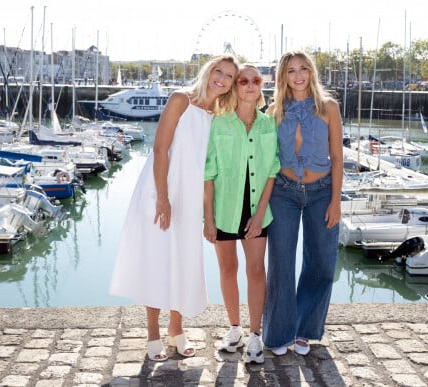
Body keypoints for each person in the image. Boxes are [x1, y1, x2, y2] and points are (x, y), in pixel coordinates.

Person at [110, 55, 239, 362]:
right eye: (218, 71)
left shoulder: (220, 115)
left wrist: (209, 215)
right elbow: (159, 148)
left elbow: (210, 170)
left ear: (232, 84)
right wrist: (163, 198)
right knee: (156, 259)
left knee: (183, 260)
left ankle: (176, 329)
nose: (222, 78)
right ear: (208, 71)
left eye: (230, 76)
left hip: (191, 198)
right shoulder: (181, 99)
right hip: (160, 190)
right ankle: (153, 332)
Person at [262, 51, 343, 356]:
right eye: (291, 71)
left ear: (311, 73)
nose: (298, 75)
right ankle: (278, 334)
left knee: (320, 262)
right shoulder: (273, 111)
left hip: (322, 191)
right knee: (281, 263)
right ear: (282, 76)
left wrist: (335, 201)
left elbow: (337, 158)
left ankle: (304, 330)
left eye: (303, 69)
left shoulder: (329, 108)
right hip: (283, 191)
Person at [203, 64, 280, 364]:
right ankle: (234, 328)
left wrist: (260, 214)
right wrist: (208, 219)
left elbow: (273, 169)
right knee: (227, 269)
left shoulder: (269, 124)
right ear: (235, 86)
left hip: (258, 211)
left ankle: (255, 335)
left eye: (255, 80)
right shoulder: (218, 124)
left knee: (256, 270)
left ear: (262, 85)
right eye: (243, 80)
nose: (249, 84)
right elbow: (208, 173)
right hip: (223, 210)